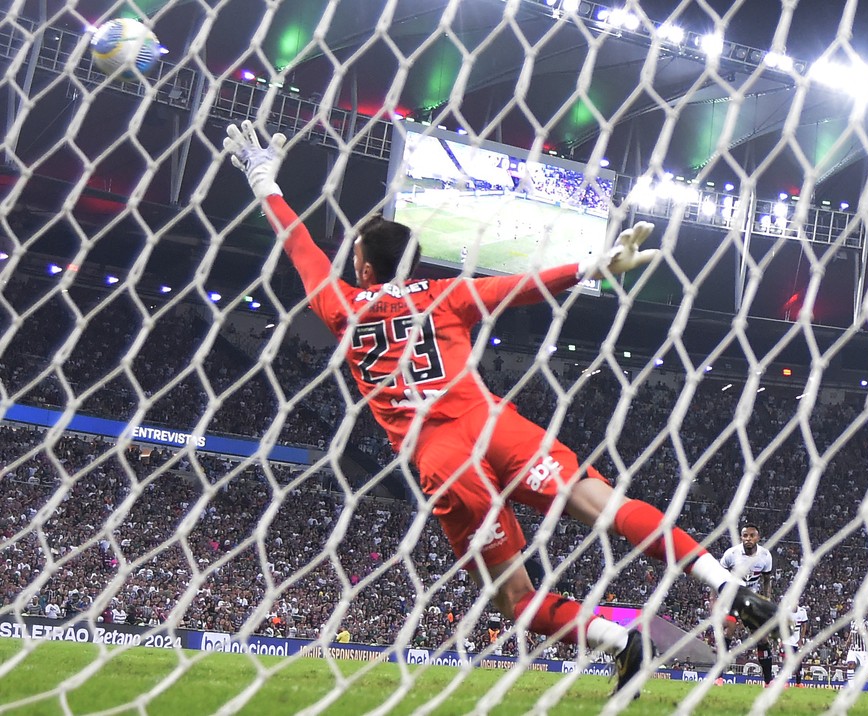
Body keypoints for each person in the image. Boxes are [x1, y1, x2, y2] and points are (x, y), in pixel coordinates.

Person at [223, 120, 780, 700]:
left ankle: (616, 641)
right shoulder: (444, 295)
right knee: (612, 507)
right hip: (496, 429)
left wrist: (264, 180)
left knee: (514, 599)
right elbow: (521, 285)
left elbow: (301, 248)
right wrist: (592, 268)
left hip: (444, 462)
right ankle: (726, 586)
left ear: (363, 270)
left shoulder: (341, 308)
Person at [719, 523, 775, 684]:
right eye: (745, 536)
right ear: (741, 537)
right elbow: (718, 574)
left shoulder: (765, 556)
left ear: (757, 537)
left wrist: (767, 600)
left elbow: (766, 580)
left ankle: (768, 681)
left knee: (762, 638)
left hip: (751, 600)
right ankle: (718, 677)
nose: (748, 539)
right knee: (729, 630)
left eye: (752, 536)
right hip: (732, 598)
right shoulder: (732, 554)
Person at [844, 610, 868, 687]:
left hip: (862, 649)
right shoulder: (853, 623)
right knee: (850, 665)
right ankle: (851, 687)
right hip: (853, 648)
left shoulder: (866, 624)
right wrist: (848, 642)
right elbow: (851, 633)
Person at [783, 602, 809, 687]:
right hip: (787, 639)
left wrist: (801, 639)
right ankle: (785, 682)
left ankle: (798, 683)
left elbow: (804, 625)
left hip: (796, 640)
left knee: (798, 662)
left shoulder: (802, 611)